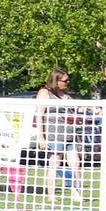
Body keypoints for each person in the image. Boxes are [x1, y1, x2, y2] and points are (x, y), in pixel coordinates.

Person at [33, 69, 82, 200]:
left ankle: (77, 193)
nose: (68, 82)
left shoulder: (65, 94)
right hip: (54, 135)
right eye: (65, 80)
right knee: (55, 163)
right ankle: (51, 195)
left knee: (75, 163)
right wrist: (41, 137)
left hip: (70, 134)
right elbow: (39, 116)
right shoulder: (45, 93)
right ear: (56, 81)